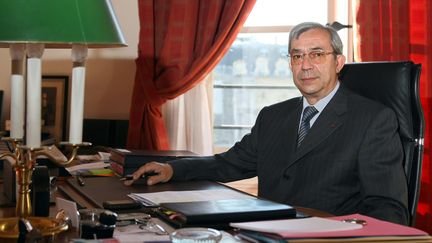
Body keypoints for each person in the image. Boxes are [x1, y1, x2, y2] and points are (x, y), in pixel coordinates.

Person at [125, 22, 409, 225]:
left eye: (317, 54)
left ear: (338, 62)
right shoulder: (273, 115)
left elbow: (388, 208)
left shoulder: (373, 120)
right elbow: (228, 164)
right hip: (263, 232)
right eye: (297, 55)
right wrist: (172, 168)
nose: (305, 64)